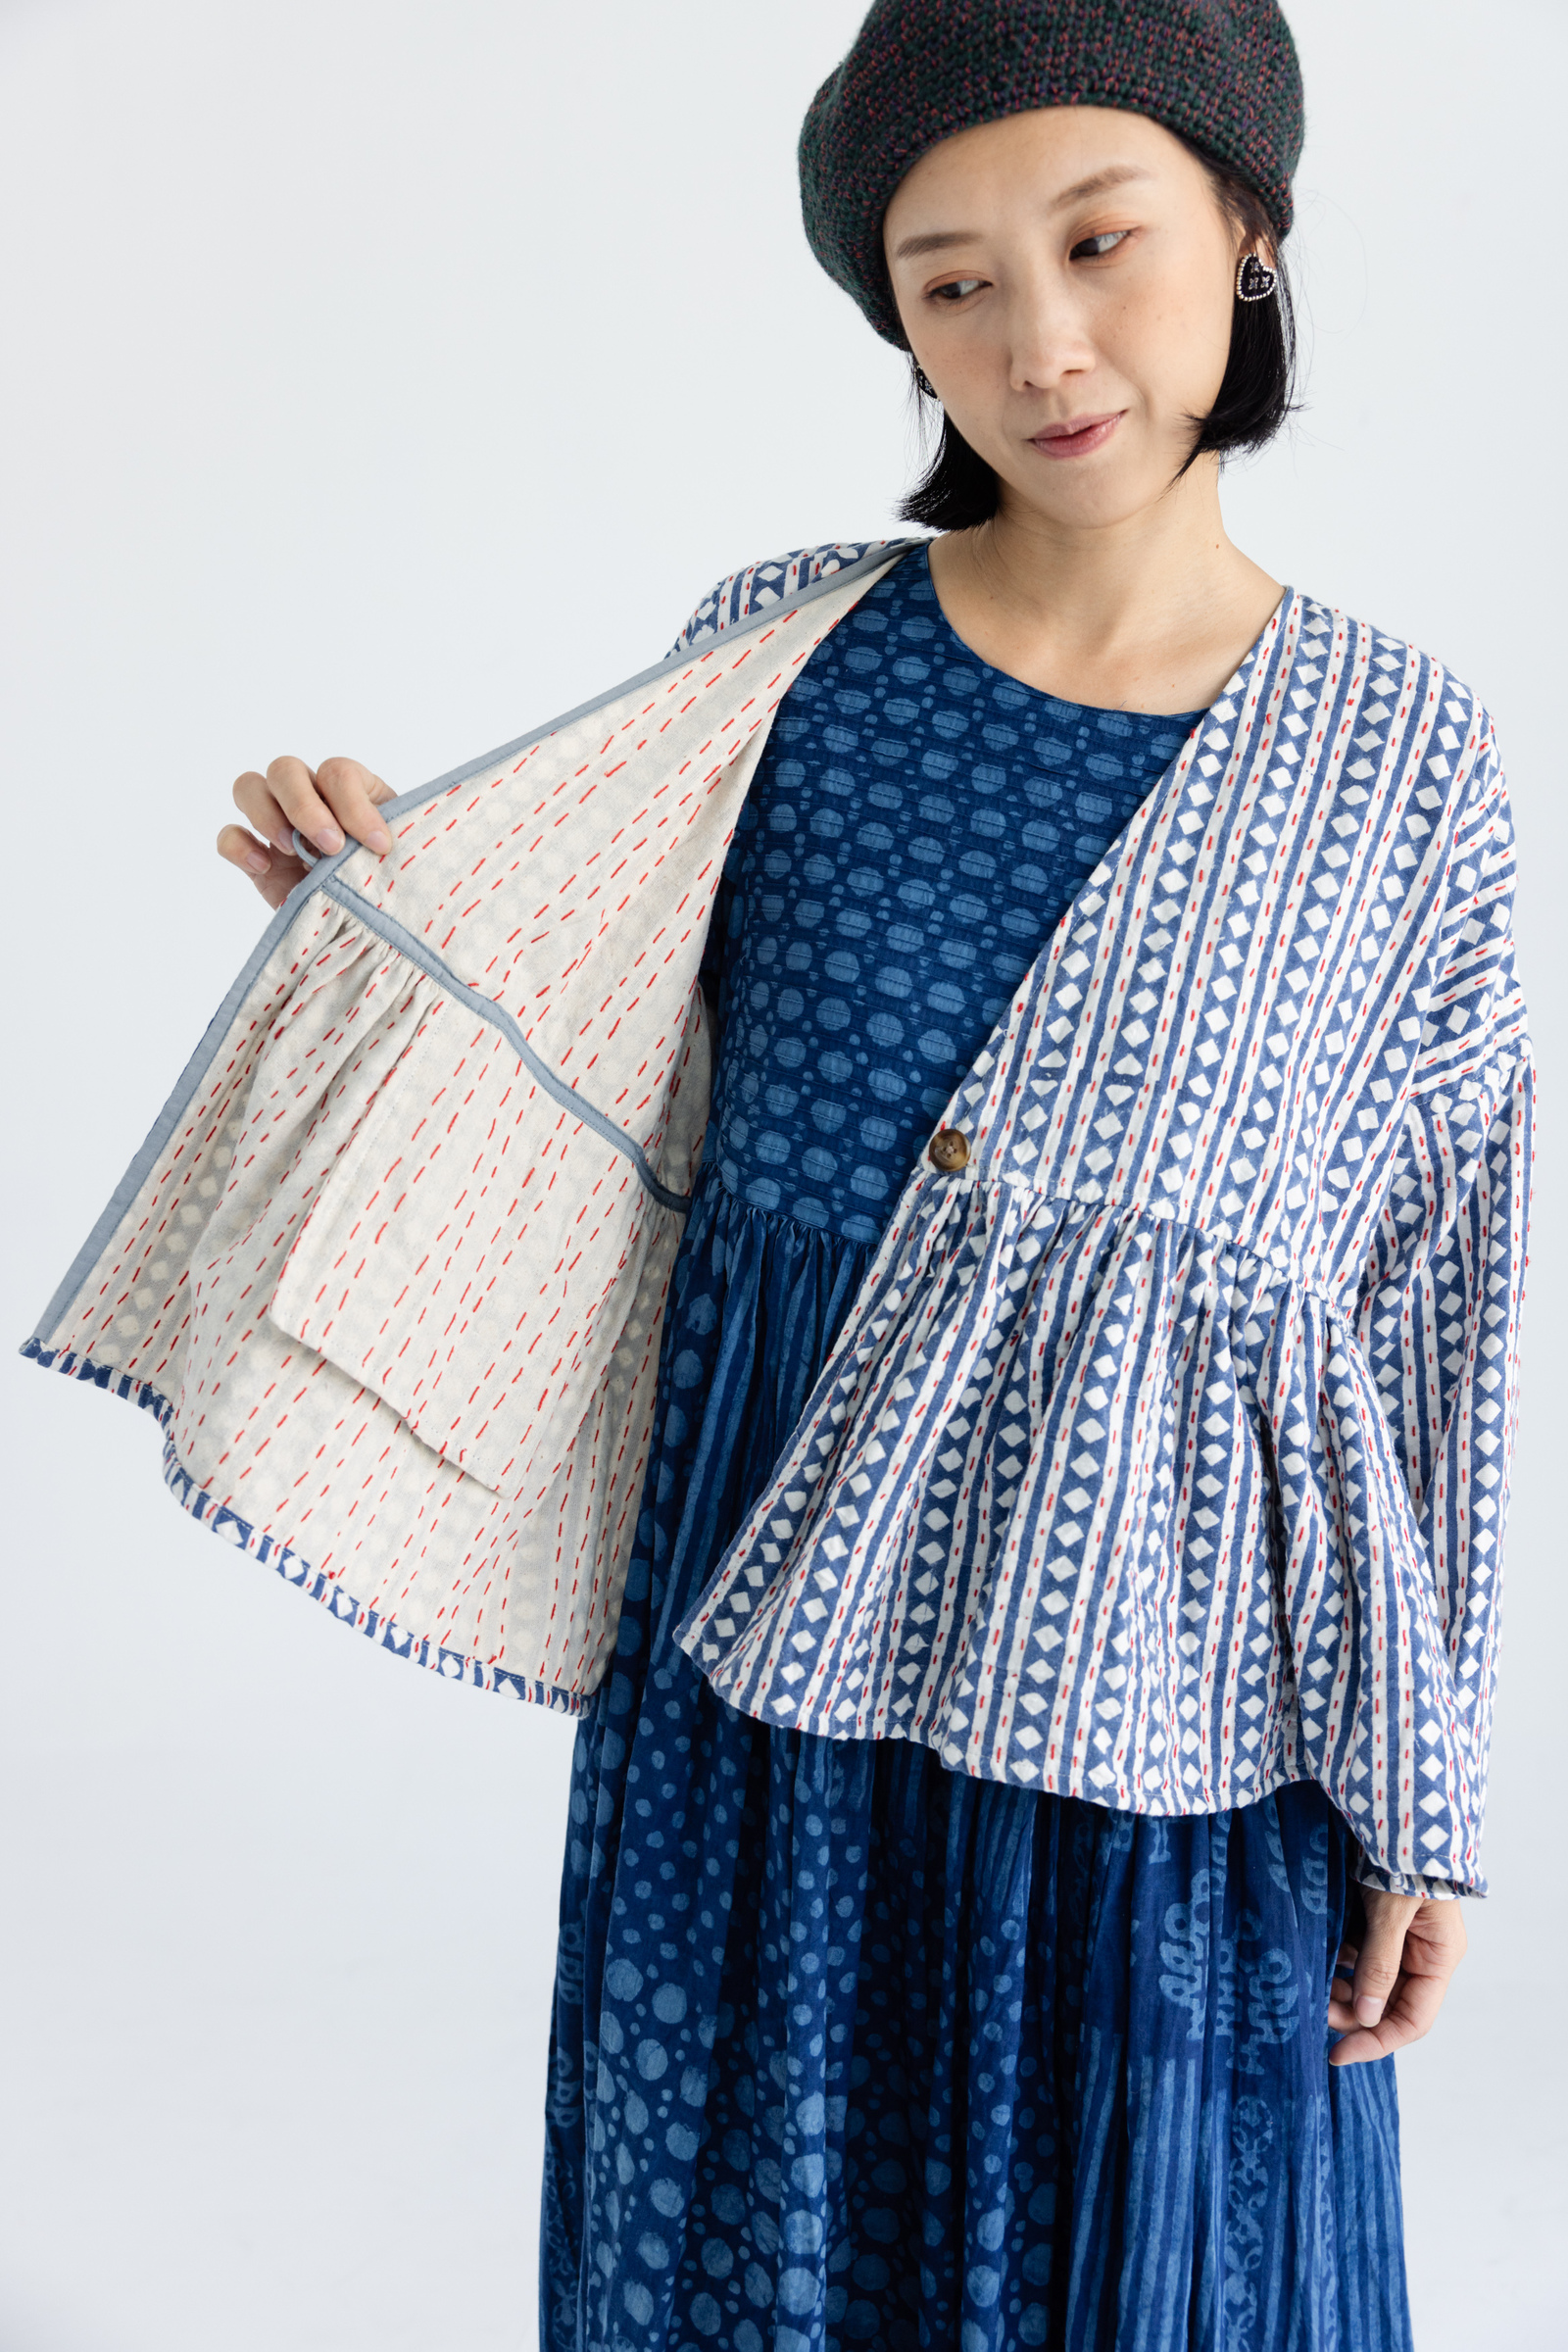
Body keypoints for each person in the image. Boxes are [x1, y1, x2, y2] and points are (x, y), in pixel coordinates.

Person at [180, 2, 1527, 2344]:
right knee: (760, 2252)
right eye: (951, 283)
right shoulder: (784, 660)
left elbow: (1427, 1312)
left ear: (1246, 227)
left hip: (1161, 1692)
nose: (1041, 344)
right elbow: (592, 1068)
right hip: (759, 1671)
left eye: (1098, 243)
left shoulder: (1402, 764)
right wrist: (386, 907)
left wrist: (1424, 1794)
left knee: (1155, 2264)